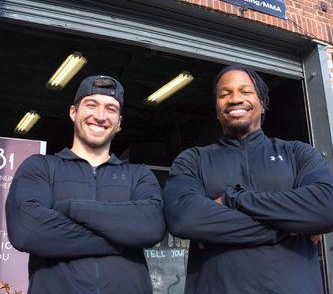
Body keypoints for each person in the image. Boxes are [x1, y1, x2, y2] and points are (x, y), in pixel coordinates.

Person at [164, 65, 333, 294]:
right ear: (217, 108)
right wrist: (289, 227)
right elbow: (184, 219)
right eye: (225, 94)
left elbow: (327, 207)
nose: (235, 99)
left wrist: (234, 199)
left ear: (262, 104)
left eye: (245, 91)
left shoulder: (297, 153)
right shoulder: (193, 160)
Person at [6, 75, 166, 294]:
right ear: (73, 112)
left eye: (111, 109)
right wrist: (123, 240)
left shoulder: (138, 174)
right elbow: (27, 231)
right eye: (91, 105)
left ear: (119, 121)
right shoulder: (41, 167)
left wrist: (70, 208)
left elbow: (152, 226)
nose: (100, 116)